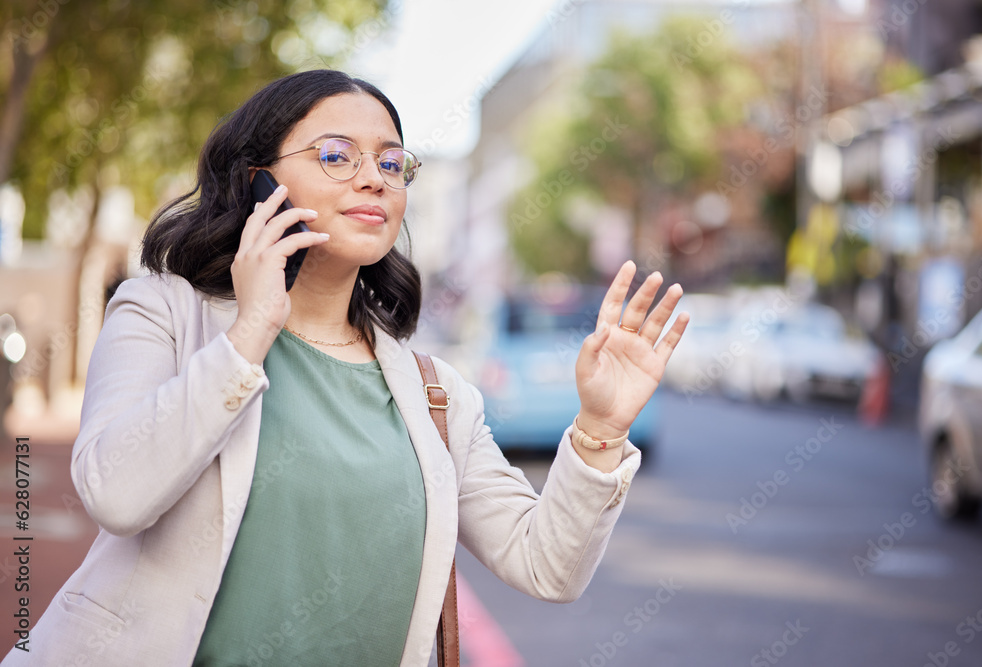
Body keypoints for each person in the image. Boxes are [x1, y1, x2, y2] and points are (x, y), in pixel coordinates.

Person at [0, 70, 688, 666]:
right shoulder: (162, 312)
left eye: (392, 164)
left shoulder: (435, 392)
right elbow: (115, 493)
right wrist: (249, 333)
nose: (372, 177)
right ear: (257, 181)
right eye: (336, 155)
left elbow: (547, 565)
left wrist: (600, 426)